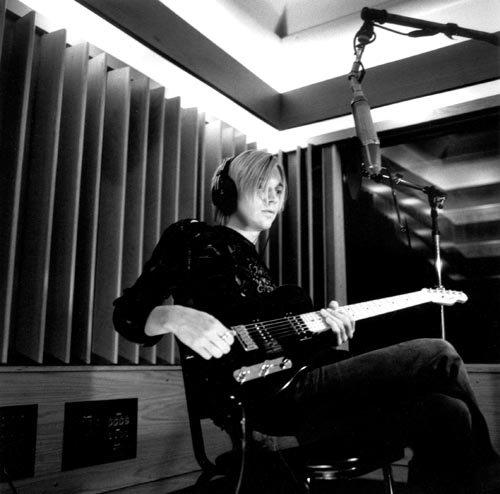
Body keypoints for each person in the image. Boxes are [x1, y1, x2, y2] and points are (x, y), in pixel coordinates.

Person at [113, 150, 500, 493]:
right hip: (262, 395)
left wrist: (328, 330)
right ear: (226, 192)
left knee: (447, 412)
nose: (272, 198)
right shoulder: (193, 237)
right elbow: (127, 314)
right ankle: (492, 477)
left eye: (278, 190)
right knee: (438, 353)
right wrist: (173, 315)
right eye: (261, 187)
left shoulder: (266, 277)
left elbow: (292, 351)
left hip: (304, 387)